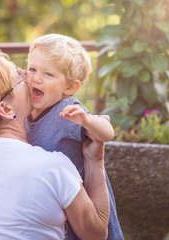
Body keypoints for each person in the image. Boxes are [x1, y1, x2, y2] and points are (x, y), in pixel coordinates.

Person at [0, 48, 110, 240]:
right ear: (5, 108)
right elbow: (96, 234)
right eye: (19, 76)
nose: (28, 75)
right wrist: (95, 159)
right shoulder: (53, 168)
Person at [25, 33, 123, 240]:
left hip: (84, 203)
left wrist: (86, 120)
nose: (36, 78)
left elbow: (107, 133)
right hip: (58, 206)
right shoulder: (26, 109)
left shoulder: (66, 111)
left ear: (69, 88)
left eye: (48, 74)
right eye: (32, 69)